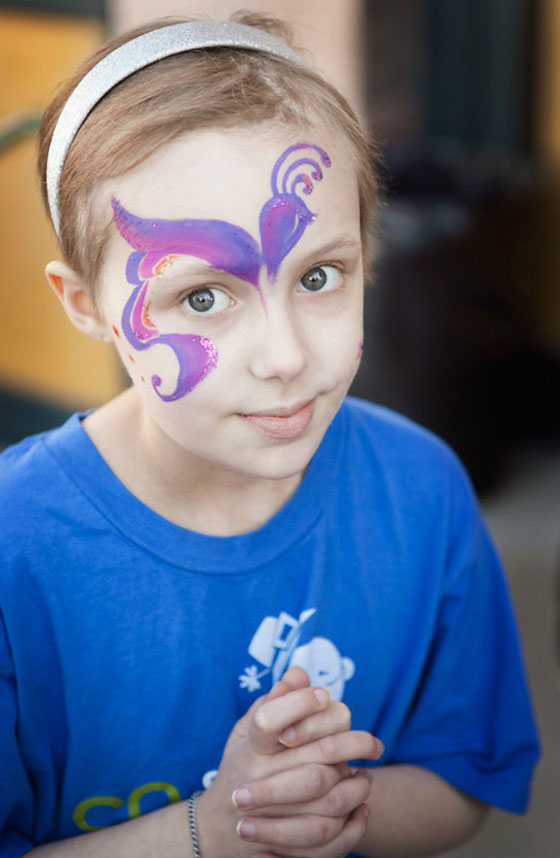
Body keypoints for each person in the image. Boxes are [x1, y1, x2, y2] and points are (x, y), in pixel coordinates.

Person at [0, 11, 539, 858]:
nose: (286, 356)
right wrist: (219, 830)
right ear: (87, 306)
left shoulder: (422, 490)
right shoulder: (14, 545)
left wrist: (324, 808)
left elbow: (463, 778)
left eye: (320, 276)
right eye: (204, 298)